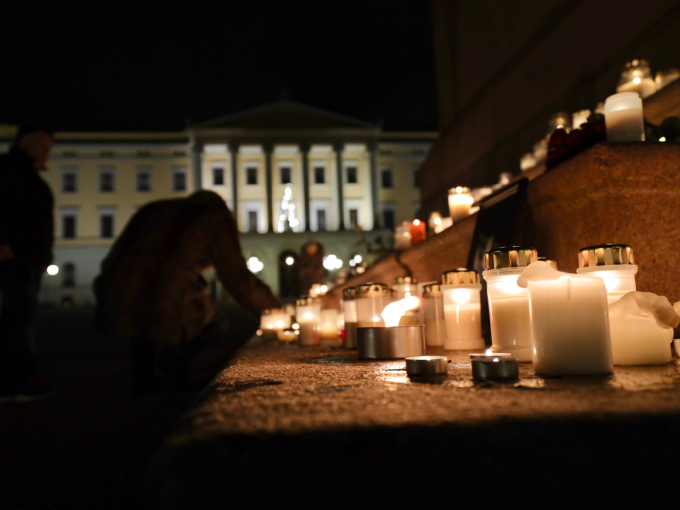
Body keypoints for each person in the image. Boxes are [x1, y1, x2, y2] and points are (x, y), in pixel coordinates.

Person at [94, 191, 280, 392]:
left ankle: (143, 376)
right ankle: (174, 364)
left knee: (139, 321)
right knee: (216, 321)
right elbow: (236, 276)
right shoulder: (213, 217)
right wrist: (273, 311)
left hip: (121, 286)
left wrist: (105, 289)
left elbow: (116, 252)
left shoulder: (153, 209)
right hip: (167, 291)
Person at [0, 127, 55, 403]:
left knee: (19, 317)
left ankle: (11, 383)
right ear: (24, 143)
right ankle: (23, 379)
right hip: (14, 257)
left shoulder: (26, 175)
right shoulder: (8, 169)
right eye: (43, 146)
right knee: (20, 315)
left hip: (30, 257)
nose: (49, 152)